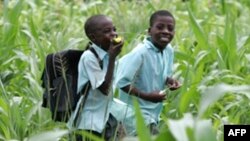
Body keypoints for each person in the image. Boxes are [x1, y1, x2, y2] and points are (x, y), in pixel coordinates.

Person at [115, 10, 181, 135]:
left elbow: (163, 74)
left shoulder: (168, 50)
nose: (166, 31)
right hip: (134, 112)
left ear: (174, 33)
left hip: (153, 112)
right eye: (160, 27)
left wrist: (170, 81)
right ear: (149, 31)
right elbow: (122, 83)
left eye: (170, 28)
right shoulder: (140, 53)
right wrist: (147, 96)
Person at [67, 14, 124, 141]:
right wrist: (113, 58)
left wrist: (112, 58)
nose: (114, 34)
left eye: (114, 29)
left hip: (104, 119)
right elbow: (105, 89)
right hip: (88, 123)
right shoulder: (89, 57)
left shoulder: (109, 56)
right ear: (93, 37)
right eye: (107, 31)